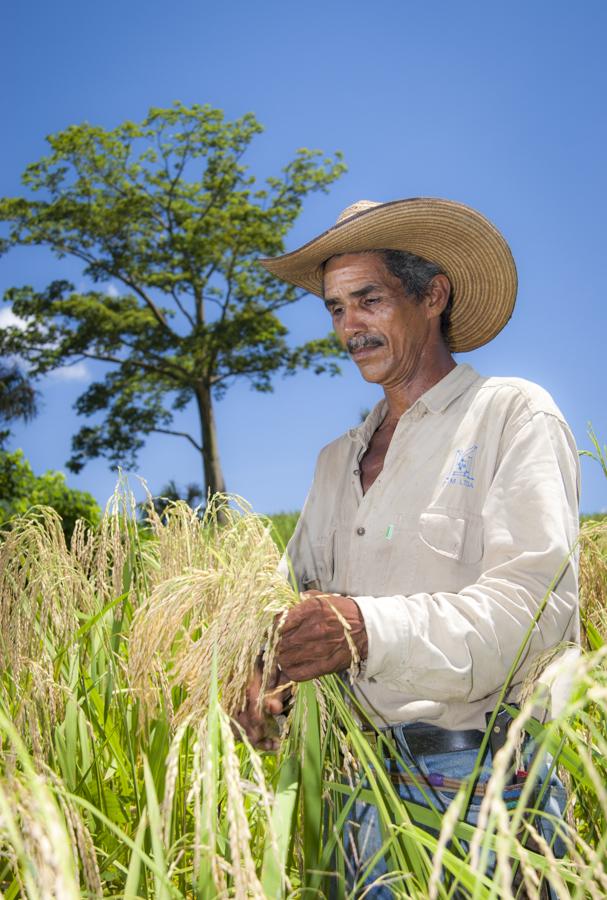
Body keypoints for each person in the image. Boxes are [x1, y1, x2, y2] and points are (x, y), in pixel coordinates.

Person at [239, 198, 579, 895]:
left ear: (432, 295)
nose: (348, 327)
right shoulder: (336, 461)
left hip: (481, 781)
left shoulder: (510, 414)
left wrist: (366, 630)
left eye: (367, 300)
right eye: (334, 309)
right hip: (348, 788)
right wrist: (262, 671)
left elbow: (533, 612)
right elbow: (290, 596)